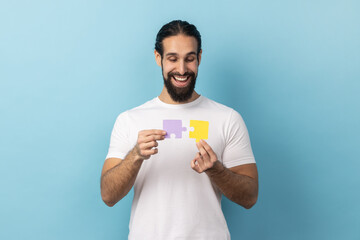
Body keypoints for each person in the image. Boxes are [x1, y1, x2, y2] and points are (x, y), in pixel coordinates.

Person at [100, 20, 258, 240]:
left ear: (199, 58)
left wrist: (216, 170)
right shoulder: (130, 120)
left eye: (190, 59)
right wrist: (135, 156)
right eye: (173, 59)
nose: (182, 69)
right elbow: (108, 195)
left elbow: (250, 196)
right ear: (159, 58)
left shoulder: (227, 118)